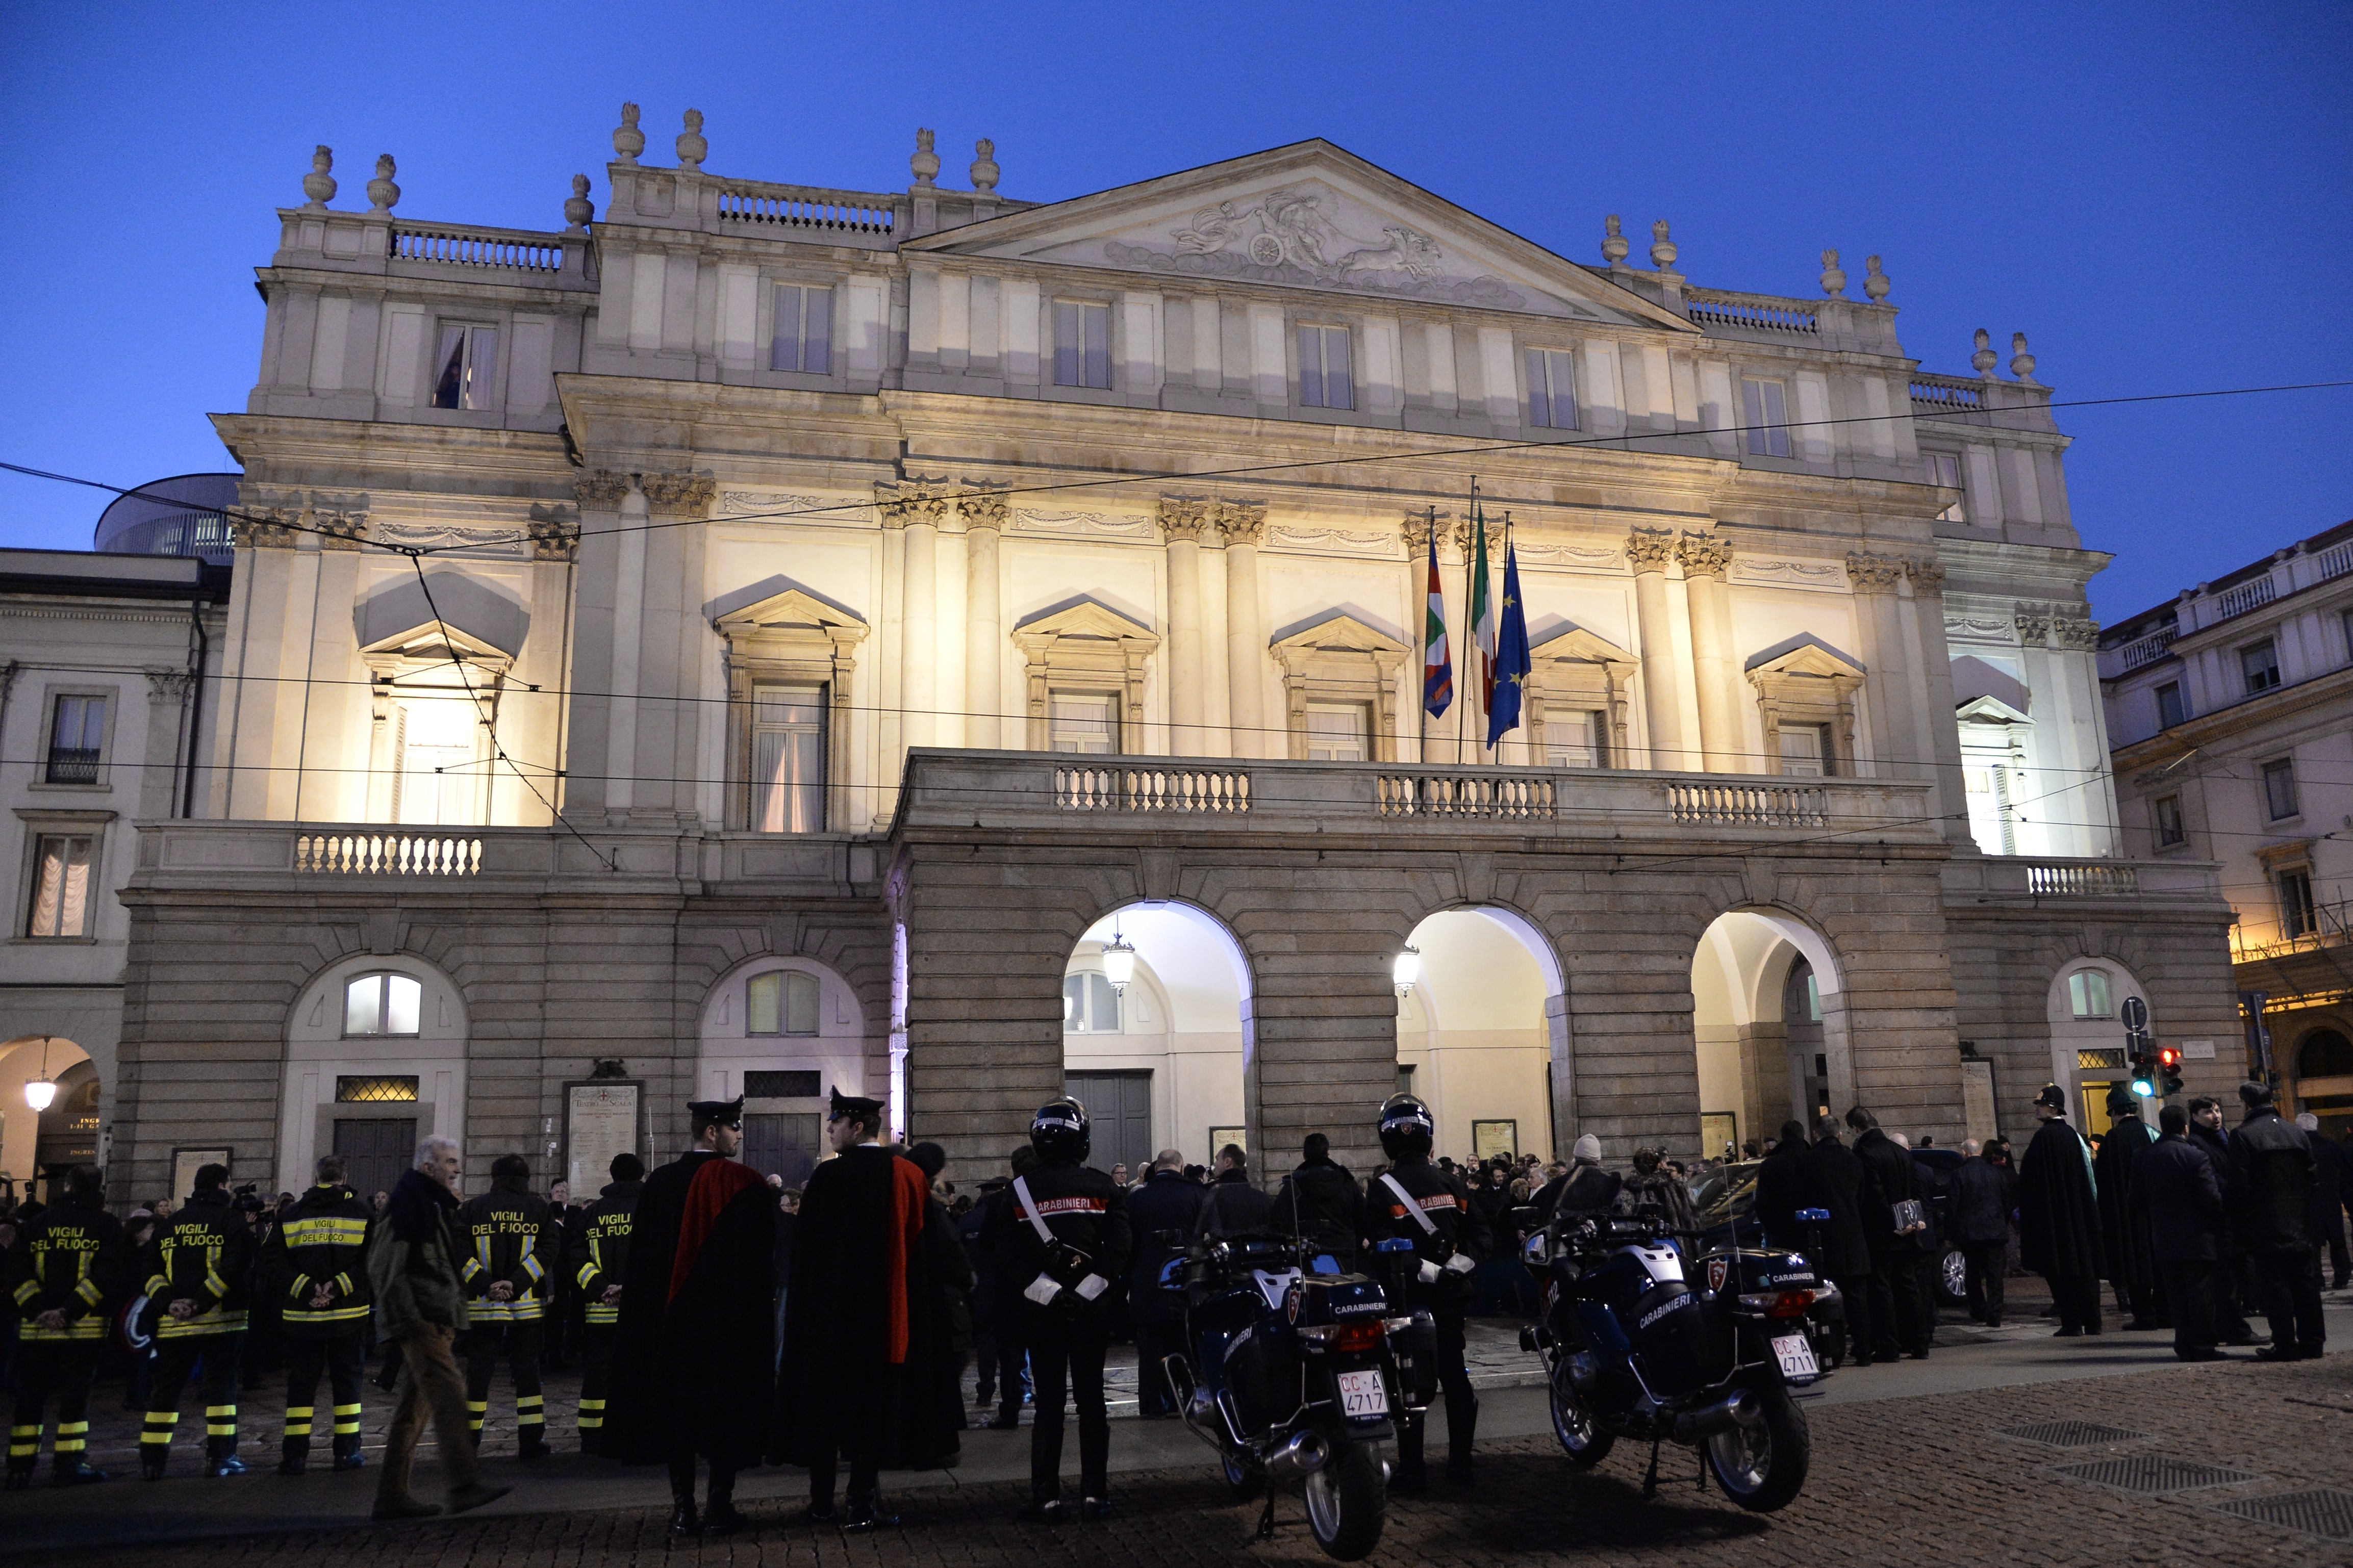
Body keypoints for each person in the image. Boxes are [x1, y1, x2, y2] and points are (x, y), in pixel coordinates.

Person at [770, 1088, 954, 1532]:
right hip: (888, 1316)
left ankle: (819, 1501)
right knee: (872, 1412)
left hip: (830, 1317)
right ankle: (861, 1502)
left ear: (857, 1126)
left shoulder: (828, 1179)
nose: (829, 1129)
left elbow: (807, 1252)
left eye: (834, 1122)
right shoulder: (907, 1176)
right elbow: (924, 1252)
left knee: (825, 1407)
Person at [609, 1097, 776, 1536]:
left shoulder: (660, 1183)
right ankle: (720, 1504)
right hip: (729, 1326)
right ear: (712, 1132)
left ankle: (683, 1508)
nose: (739, 1135)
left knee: (677, 1413)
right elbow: (764, 1262)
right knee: (727, 1413)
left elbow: (642, 1261)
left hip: (672, 1324)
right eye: (734, 1128)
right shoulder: (747, 1183)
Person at [992, 1098, 1130, 1523]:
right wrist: (1086, 1291)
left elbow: (1008, 1257)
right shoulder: (1105, 1188)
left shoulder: (1014, 1193)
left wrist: (1050, 1293)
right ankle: (1095, 1495)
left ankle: (1046, 1497)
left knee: (1049, 1403)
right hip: (1091, 1311)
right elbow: (1120, 1251)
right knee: (1092, 1400)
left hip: (1041, 1311)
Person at [367, 1137, 509, 1521]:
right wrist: (412, 1322)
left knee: (414, 1411)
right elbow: (385, 1268)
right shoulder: (406, 1205)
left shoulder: (429, 1206)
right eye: (449, 1161)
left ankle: (391, 1495)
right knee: (451, 1395)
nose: (457, 1168)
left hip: (437, 1320)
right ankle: (463, 1485)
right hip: (422, 1322)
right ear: (427, 1167)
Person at [1363, 1094, 1488, 1490]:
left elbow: (1378, 1242)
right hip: (1451, 1296)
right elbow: (1482, 1234)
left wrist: (1423, 1270)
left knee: (1409, 1383)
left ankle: (1413, 1468)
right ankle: (1461, 1465)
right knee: (1455, 1379)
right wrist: (1456, 1266)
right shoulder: (1452, 1182)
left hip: (1408, 1298)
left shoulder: (1381, 1188)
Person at [3, 1164, 124, 1488]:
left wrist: (38, 1310)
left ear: (67, 1187)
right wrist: (68, 1312)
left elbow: (16, 1270)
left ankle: (19, 1465)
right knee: (75, 1399)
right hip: (84, 1328)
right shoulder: (106, 1225)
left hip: (37, 1329)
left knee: (31, 1396)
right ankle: (69, 1463)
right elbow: (106, 1274)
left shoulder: (38, 1223)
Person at [137, 1162, 257, 1477]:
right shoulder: (232, 1222)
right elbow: (235, 1267)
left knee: (167, 1389)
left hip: (175, 1323)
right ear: (222, 1186)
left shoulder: (170, 1224)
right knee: (221, 1391)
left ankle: (152, 1460)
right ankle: (221, 1457)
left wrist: (169, 1303)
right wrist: (201, 1302)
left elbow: (149, 1270)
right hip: (222, 1322)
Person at [264, 1154, 376, 1475]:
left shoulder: (292, 1213)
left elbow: (272, 1260)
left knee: (301, 1385)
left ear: (317, 1178)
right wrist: (338, 1287)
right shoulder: (363, 1212)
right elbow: (374, 1260)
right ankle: (346, 1453)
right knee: (348, 1384)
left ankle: (295, 1456)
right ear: (344, 1177)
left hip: (303, 1316)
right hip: (349, 1314)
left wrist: (307, 1288)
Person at [452, 1154, 563, 1459]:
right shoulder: (540, 1209)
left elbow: (459, 1253)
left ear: (494, 1177)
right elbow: (550, 1250)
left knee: (478, 1375)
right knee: (527, 1373)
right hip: (526, 1307)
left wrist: (487, 1285)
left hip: (483, 1306)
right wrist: (516, 1283)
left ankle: (468, 1441)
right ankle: (531, 1441)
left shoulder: (472, 1208)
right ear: (526, 1179)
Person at [2225, 1082, 2325, 1360]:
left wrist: (2240, 1222)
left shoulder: (2243, 1135)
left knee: (2276, 1287)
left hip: (2265, 1223)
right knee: (2305, 1285)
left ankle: (2285, 1343)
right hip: (2300, 1222)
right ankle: (2313, 1341)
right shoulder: (2296, 1132)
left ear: (2245, 1103)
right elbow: (2313, 1179)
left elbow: (2240, 1186)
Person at [2134, 1103, 2228, 1360]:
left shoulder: (2145, 1156)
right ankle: (2202, 1346)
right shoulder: (2194, 1156)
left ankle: (2183, 1343)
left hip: (2164, 1237)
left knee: (2176, 1295)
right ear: (2186, 1127)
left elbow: (2137, 1200)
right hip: (2198, 1237)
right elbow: (2211, 1198)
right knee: (2201, 1295)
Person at [565, 1152, 642, 1454]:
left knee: (597, 1374)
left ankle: (592, 1434)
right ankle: (634, 1431)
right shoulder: (650, 1209)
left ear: (612, 1176)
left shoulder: (592, 1213)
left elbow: (577, 1258)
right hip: (639, 1313)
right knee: (639, 1372)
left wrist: (602, 1289)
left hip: (600, 1310)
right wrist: (631, 1289)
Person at [1124, 1149, 1207, 1418]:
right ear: (1181, 1168)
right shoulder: (1197, 1195)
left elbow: (1128, 1245)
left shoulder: (1138, 1199)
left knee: (1149, 1350)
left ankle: (1152, 1405)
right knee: (1188, 1345)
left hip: (1147, 1284)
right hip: (1187, 1283)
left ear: (1157, 1168)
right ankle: (1194, 1402)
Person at [2019, 1084, 2106, 1336]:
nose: (2037, 1110)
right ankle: (2094, 1322)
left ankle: (2071, 1322)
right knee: (2085, 1271)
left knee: (2061, 1272)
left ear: (2052, 1108)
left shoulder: (2042, 1139)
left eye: (2041, 1105)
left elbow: (2030, 1180)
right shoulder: (2074, 1137)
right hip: (2080, 1216)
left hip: (2054, 1218)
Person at [1846, 1107, 1931, 1360]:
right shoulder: (1899, 1151)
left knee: (1882, 1290)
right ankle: (1920, 1343)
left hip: (1881, 1233)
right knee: (1909, 1287)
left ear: (1856, 1128)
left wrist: (1892, 1222)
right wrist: (1911, 1221)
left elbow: (1874, 1195)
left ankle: (1889, 1345)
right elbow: (1916, 1190)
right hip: (1908, 1230)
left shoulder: (1865, 1153)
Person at [907, 1143, 977, 1440]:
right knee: (949, 1365)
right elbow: (953, 1255)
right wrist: (968, 1279)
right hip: (945, 1302)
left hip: (923, 1298)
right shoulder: (932, 1208)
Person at [2185, 1096, 2265, 1344]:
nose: (2216, 1116)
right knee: (2227, 1278)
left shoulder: (2226, 1138)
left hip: (2232, 1218)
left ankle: (2228, 1325)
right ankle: (2232, 1328)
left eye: (2218, 1110)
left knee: (2233, 1276)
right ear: (2195, 1117)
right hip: (2220, 1221)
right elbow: (2213, 1182)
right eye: (2208, 1112)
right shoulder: (2199, 1144)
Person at [1804, 1116, 1880, 1365]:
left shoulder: (1810, 1161)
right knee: (1858, 1298)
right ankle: (1863, 1349)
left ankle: (1831, 1352)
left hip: (1822, 1238)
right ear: (1838, 1134)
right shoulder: (1853, 1160)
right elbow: (1862, 1198)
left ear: (1816, 1134)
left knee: (1825, 1299)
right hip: (1853, 1236)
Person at [978, 1146, 1042, 1429]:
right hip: (1043, 1284)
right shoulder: (1048, 1197)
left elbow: (985, 1244)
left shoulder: (1000, 1201)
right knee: (1045, 1349)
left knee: (1010, 1354)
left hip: (1010, 1288)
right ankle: (1050, 1406)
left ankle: (1010, 1410)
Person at [1270, 1133, 1364, 1273]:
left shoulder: (1293, 1186)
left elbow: (1278, 1223)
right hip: (1344, 1256)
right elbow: (1363, 1218)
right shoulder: (1348, 1183)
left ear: (1304, 1155)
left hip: (1306, 1259)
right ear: (1328, 1153)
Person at [1947, 1139, 2014, 1328]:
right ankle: (1995, 1314)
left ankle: (1978, 1309)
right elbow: (2006, 1200)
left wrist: (1950, 1234)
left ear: (1965, 1153)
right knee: (1995, 1276)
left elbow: (1953, 1206)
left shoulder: (1959, 1174)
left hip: (1970, 1233)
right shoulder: (1996, 1173)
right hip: (1994, 1230)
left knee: (1973, 1274)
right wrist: (2002, 1221)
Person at [2296, 1113, 2350, 1289]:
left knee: (2313, 1245)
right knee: (2338, 1242)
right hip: (2331, 1200)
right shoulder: (2331, 1145)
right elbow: (2344, 1174)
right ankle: (2342, 1277)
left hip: (2309, 1202)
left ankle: (2318, 1281)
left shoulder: (2298, 1149)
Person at [1753, 1121, 1814, 1252]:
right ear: (1803, 1135)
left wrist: (1772, 1228)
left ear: (1782, 1136)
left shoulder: (1770, 1164)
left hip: (1781, 1232)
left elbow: (1762, 1204)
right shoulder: (1814, 1160)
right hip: (1812, 1232)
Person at [1615, 1146, 1700, 1237]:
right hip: (1682, 1246)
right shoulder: (1681, 1187)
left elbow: (1621, 1222)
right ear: (1658, 1165)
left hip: (1648, 1246)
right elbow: (1696, 1217)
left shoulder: (1631, 1190)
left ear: (1636, 1166)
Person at [1534, 1134, 1621, 1222]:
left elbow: (1544, 1215)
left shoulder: (1558, 1184)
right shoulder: (1612, 1184)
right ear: (1598, 1159)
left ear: (1575, 1157)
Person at [1196, 1144, 1274, 1238]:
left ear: (1228, 1162)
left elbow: (1201, 1227)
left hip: (1224, 1248)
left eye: (1217, 1160)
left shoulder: (1211, 1191)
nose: (1215, 1164)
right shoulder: (1261, 1197)